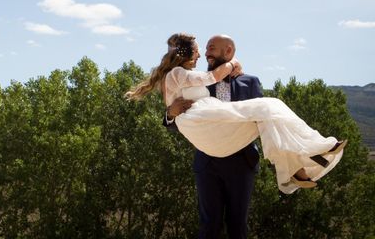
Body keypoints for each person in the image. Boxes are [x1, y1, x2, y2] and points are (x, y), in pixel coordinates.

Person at [126, 33, 346, 239]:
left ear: (228, 51)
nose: (206, 53)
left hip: (241, 160)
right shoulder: (194, 78)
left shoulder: (250, 82)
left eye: (212, 48)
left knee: (238, 224)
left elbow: (262, 124)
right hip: (208, 161)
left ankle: (302, 160)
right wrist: (170, 114)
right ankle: (306, 158)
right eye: (204, 49)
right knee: (209, 224)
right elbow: (182, 122)